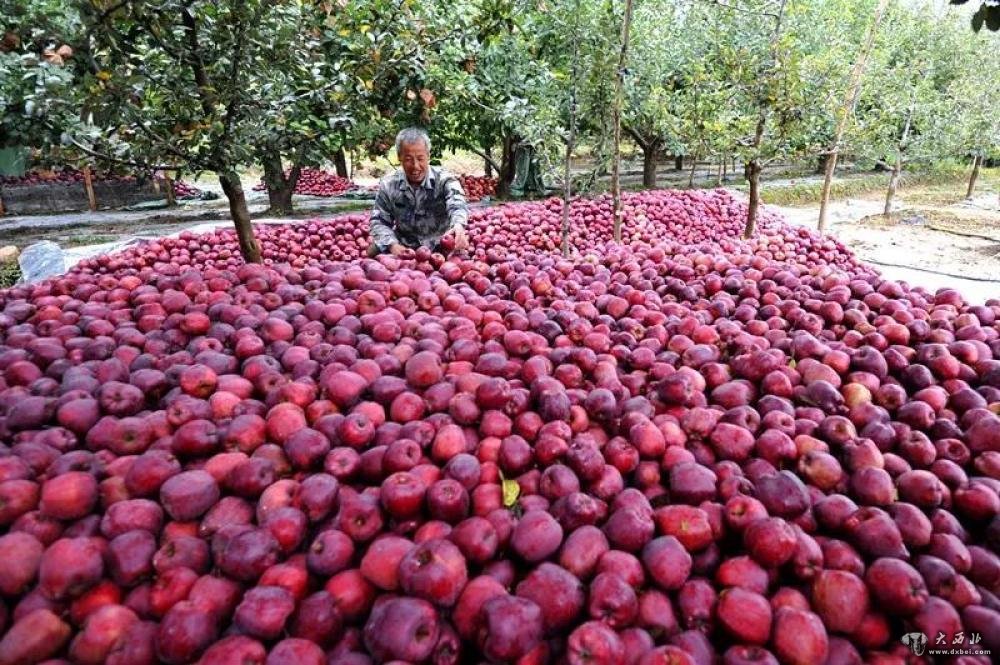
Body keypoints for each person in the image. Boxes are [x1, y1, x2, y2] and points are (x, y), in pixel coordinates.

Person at [368, 128, 469, 256]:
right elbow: (378, 221)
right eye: (409, 159)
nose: (415, 166)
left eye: (420, 158)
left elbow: (458, 204)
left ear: (428, 155)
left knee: (462, 262)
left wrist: (458, 225)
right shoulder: (388, 184)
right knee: (372, 253)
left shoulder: (444, 180)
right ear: (399, 157)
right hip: (405, 245)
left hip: (440, 244)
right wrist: (393, 245)